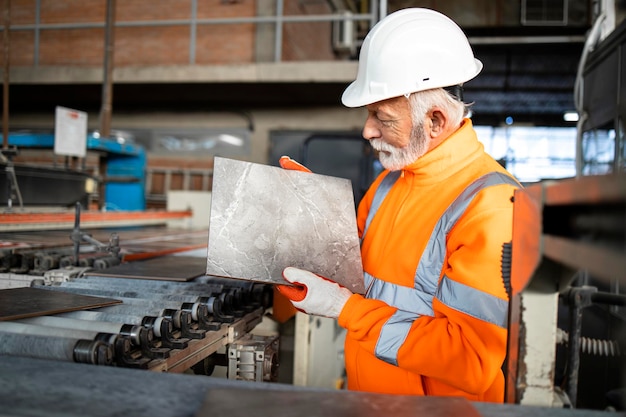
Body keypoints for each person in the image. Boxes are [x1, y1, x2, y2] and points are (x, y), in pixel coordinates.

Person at [277, 7, 521, 402]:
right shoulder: (390, 183)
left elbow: (469, 359)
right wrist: (315, 216)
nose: (367, 130)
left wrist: (344, 308)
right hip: (372, 402)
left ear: (436, 122)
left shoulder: (491, 207)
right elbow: (353, 270)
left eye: (382, 117)